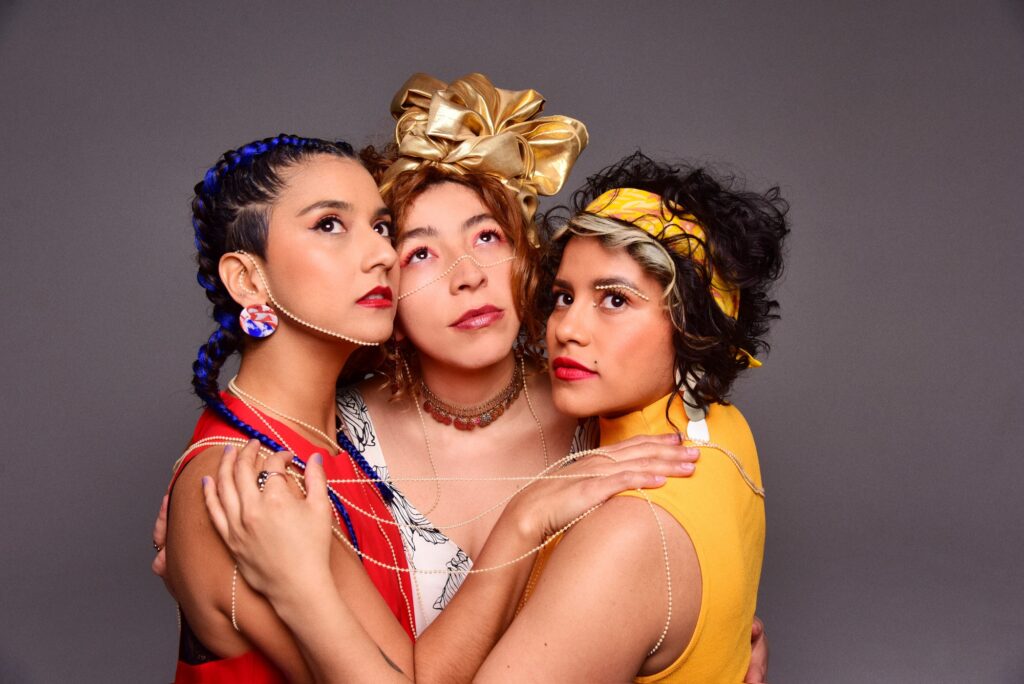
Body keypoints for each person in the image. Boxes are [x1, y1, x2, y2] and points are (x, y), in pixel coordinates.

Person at [182, 75, 775, 682]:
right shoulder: (265, 475)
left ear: (529, 256)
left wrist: (718, 658)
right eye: (419, 250)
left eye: (487, 236)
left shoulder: (603, 396)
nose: (465, 275)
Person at [477, 152, 789, 681]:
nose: (567, 329)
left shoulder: (628, 532)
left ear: (693, 325)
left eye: (615, 300)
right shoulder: (723, 429)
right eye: (563, 296)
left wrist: (519, 523)